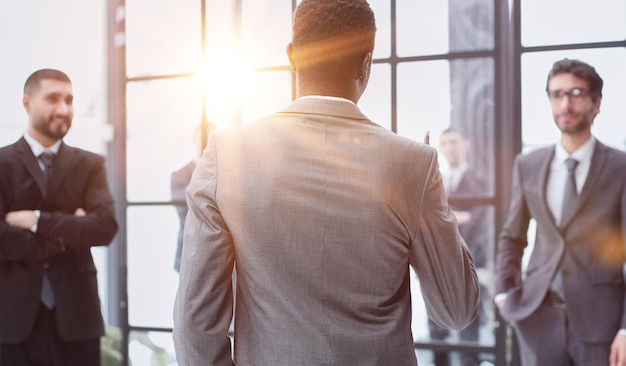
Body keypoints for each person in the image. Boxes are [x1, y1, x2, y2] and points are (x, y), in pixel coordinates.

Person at [173, 1, 479, 365]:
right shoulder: (414, 164)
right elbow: (456, 310)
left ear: (292, 57)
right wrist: (431, 196)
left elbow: (196, 323)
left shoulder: (227, 154)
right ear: (366, 63)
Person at [495, 58, 626, 366]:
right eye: (557, 94)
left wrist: (625, 328)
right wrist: (504, 294)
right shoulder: (528, 164)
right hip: (537, 318)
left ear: (597, 103)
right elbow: (512, 236)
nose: (566, 103)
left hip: (601, 325)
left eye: (577, 93)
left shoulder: (621, 167)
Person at [0, 69, 118, 366]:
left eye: (69, 100)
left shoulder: (91, 164)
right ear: (27, 102)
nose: (64, 109)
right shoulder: (1, 164)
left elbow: (104, 228)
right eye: (53, 99)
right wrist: (71, 231)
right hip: (11, 321)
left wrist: (37, 220)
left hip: (77, 320)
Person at [429, 127, 489, 366]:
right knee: (436, 330)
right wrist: (457, 216)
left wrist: (444, 217)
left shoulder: (481, 182)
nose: (450, 148)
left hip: (470, 263)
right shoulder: (435, 181)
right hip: (438, 265)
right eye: (445, 143)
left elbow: (478, 221)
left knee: (468, 333)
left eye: (454, 142)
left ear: (466, 145)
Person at [171, 122, 215, 272]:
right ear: (194, 141)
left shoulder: (223, 172)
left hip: (217, 252)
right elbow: (184, 208)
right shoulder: (179, 175)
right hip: (188, 250)